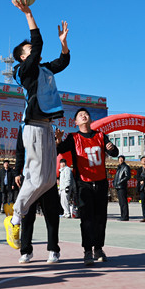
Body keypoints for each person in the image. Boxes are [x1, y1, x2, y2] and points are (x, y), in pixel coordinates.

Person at [3, 0, 70, 249]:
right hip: (31, 126)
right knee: (37, 178)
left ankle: (18, 214)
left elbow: (62, 62)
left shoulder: (43, 69)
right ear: (23, 56)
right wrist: (28, 13)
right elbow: (38, 43)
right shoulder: (24, 71)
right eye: (30, 49)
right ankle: (15, 217)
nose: (34, 50)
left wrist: (63, 44)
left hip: (46, 126)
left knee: (49, 179)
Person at [56, 107, 119, 264]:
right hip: (83, 183)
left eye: (86, 114)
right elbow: (59, 149)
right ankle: (87, 250)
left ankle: (98, 248)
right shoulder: (73, 137)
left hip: (101, 182)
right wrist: (58, 140)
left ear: (91, 119)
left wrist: (112, 148)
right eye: (80, 115)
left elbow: (115, 153)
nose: (84, 116)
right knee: (86, 218)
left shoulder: (101, 136)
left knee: (100, 218)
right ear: (76, 122)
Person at [17, 133, 62, 263]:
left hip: (48, 179)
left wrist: (58, 141)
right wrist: (17, 172)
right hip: (29, 179)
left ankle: (53, 249)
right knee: (27, 216)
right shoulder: (24, 128)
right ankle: (26, 251)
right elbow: (20, 151)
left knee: (52, 217)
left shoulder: (51, 129)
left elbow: (57, 151)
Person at [113, 155, 130, 221]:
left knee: (123, 202)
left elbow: (127, 176)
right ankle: (122, 215)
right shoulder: (119, 167)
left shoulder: (125, 167)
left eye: (122, 159)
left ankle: (125, 216)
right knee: (121, 202)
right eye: (119, 159)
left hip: (122, 186)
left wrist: (120, 182)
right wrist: (114, 182)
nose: (120, 160)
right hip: (118, 186)